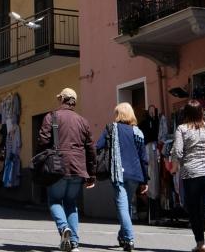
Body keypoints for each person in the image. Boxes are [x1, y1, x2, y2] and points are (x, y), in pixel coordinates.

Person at [38, 87, 96, 252]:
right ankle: (74, 243)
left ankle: (64, 228)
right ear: (74, 102)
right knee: (71, 203)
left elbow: (43, 141)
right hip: (78, 167)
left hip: (58, 166)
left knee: (55, 200)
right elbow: (91, 149)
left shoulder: (52, 117)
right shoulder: (82, 121)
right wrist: (92, 174)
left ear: (61, 99)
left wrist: (41, 161)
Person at [171, 99, 205, 252]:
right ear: (201, 112)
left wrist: (174, 167)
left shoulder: (182, 128)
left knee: (194, 211)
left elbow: (178, 151)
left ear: (185, 114)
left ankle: (200, 244)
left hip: (191, 174)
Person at [96, 102, 148, 252]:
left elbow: (98, 146)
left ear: (118, 114)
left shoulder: (111, 128)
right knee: (126, 207)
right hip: (135, 175)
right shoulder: (138, 132)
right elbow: (143, 158)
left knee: (123, 207)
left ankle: (129, 240)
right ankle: (122, 235)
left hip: (119, 173)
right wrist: (145, 180)